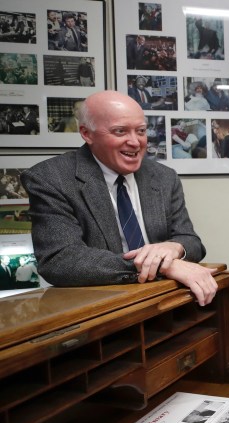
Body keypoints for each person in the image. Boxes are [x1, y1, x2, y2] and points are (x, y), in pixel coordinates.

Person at [20, 91, 217, 306]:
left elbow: (192, 242)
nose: (135, 142)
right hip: (100, 312)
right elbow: (60, 260)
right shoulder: (50, 179)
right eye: (120, 131)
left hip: (166, 302)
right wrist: (160, 265)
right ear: (87, 133)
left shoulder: (163, 177)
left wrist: (174, 248)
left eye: (141, 131)